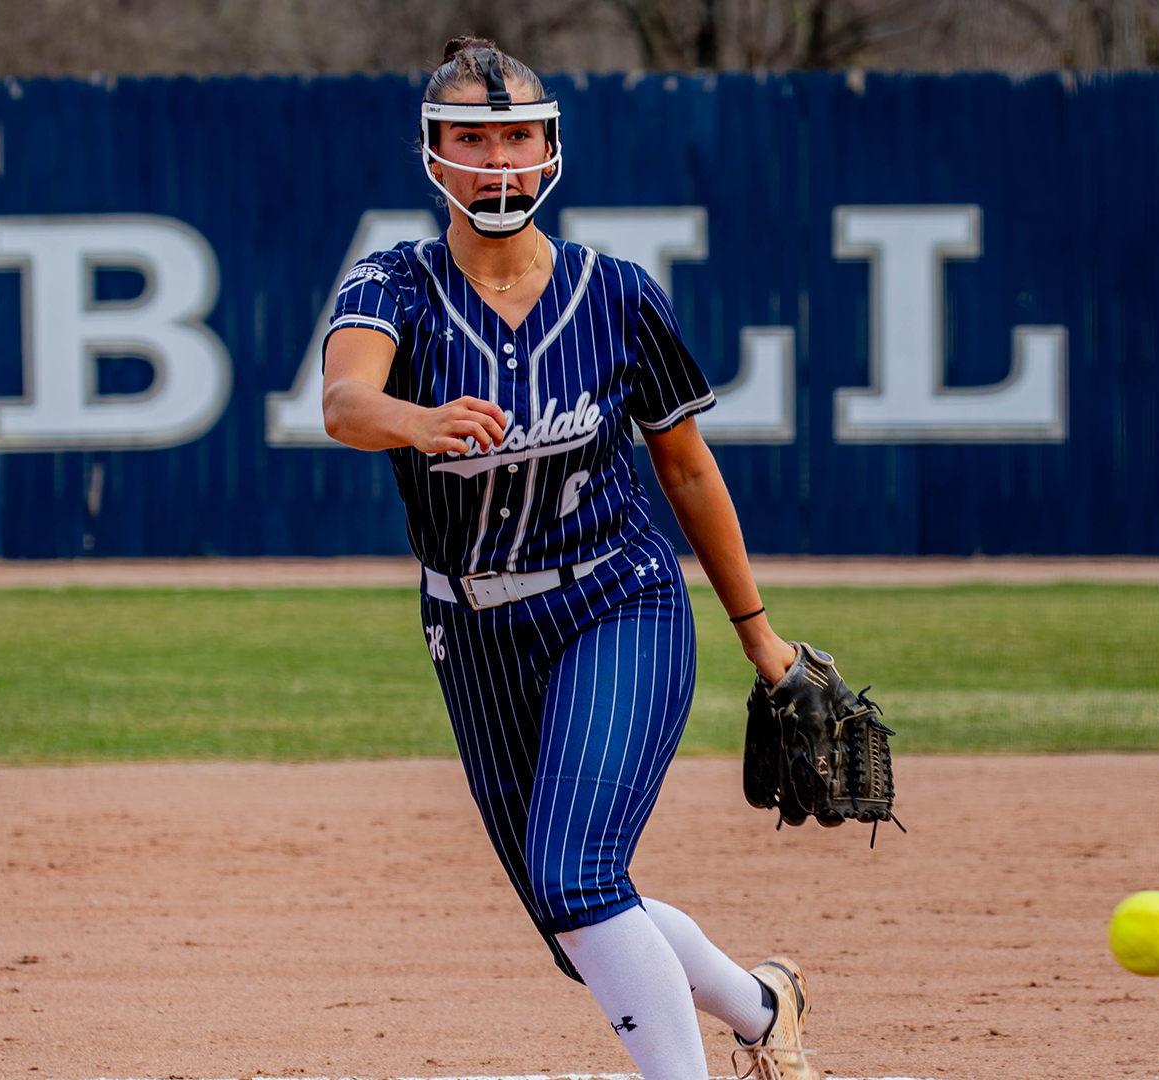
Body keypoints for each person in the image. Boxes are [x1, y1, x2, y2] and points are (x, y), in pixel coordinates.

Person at [321, 36, 814, 1080]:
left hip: (616, 599)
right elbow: (344, 402)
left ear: (549, 151)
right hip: (472, 627)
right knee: (573, 923)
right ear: (432, 154)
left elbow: (683, 469)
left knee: (578, 875)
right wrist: (414, 419)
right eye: (471, 138)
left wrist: (758, 634)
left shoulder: (617, 293)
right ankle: (763, 1010)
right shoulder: (393, 283)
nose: (496, 160)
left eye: (516, 137)